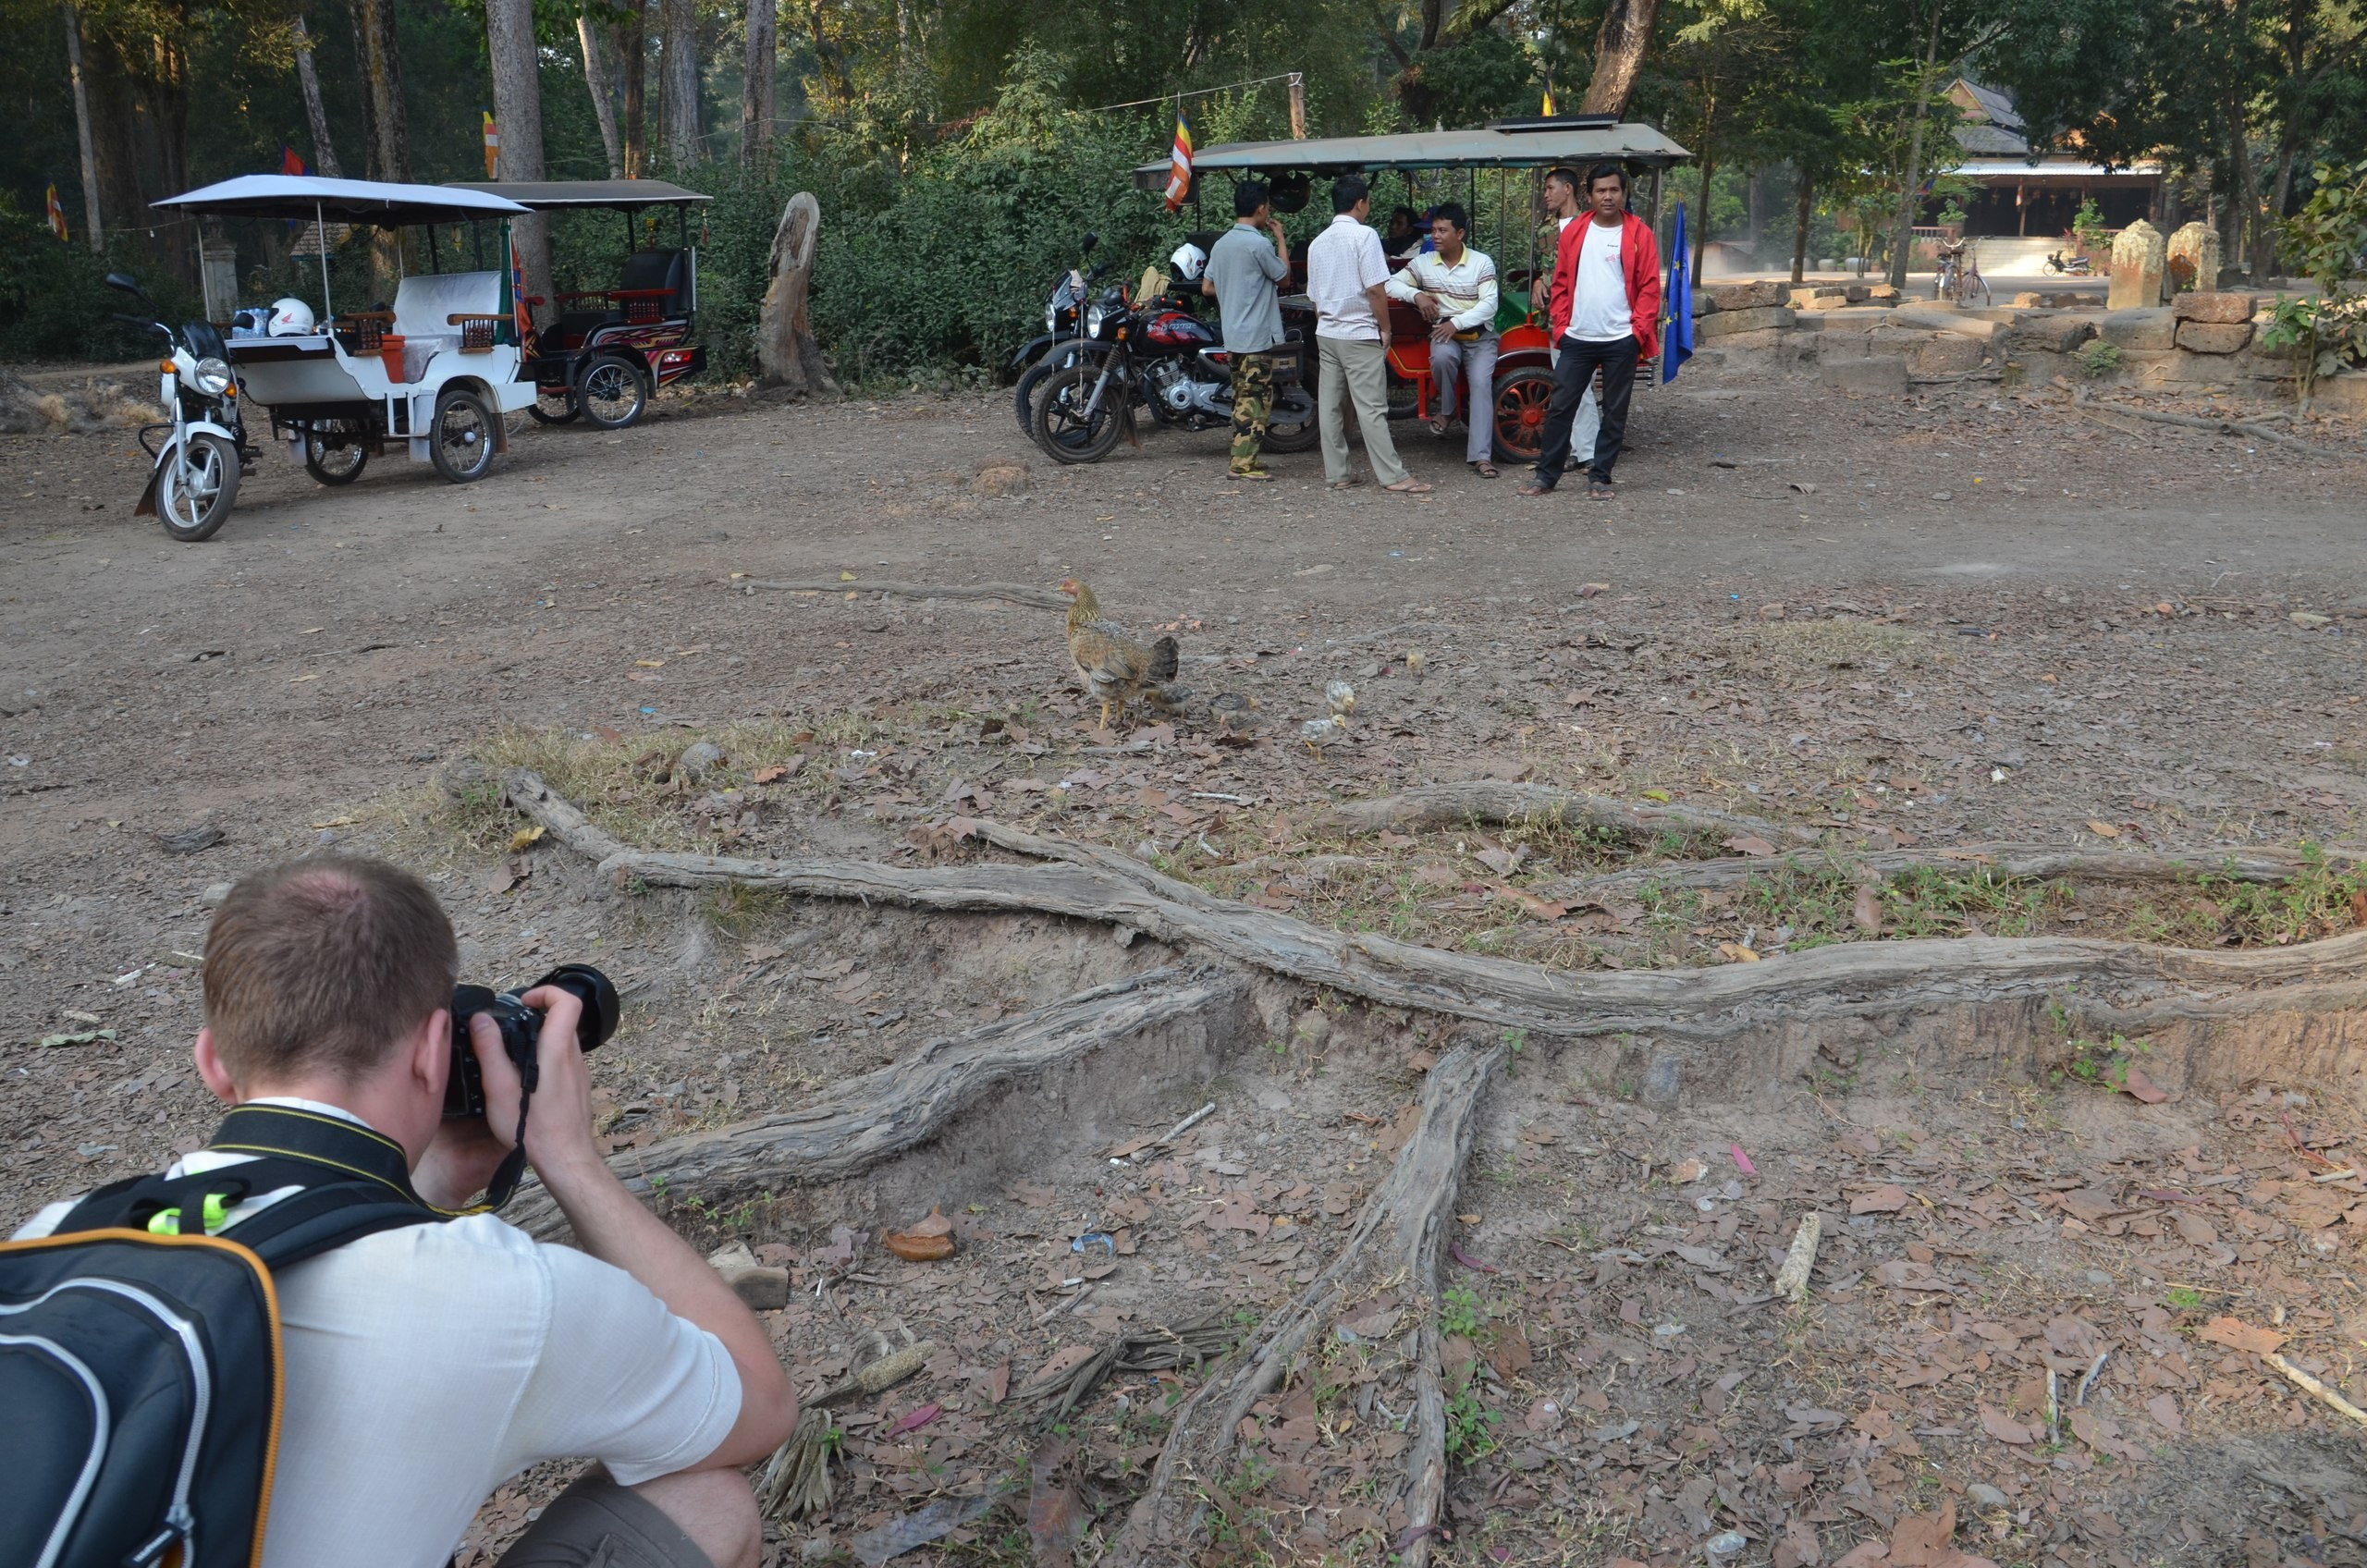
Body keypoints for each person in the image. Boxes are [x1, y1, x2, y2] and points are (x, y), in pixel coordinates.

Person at [13, 856, 799, 1568]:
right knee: (704, 1505)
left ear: (213, 1061)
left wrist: (429, 1191)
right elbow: (758, 1406)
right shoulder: (506, 1296)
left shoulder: (51, 1241)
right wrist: (570, 1159)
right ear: (431, 1051)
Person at [1522, 163, 1661, 501]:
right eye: (1601, 191)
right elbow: (1562, 283)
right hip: (1578, 337)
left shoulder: (1639, 233)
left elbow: (1649, 288)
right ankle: (1546, 476)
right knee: (1560, 407)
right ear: (1589, 195)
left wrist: (1637, 333)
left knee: (1614, 412)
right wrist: (1563, 326)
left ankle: (1600, 476)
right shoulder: (1574, 231)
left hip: (1620, 339)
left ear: (1623, 193)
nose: (1608, 196)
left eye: (1614, 190)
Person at [1306, 176, 1431, 495]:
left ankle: (1338, 474)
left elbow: (1316, 299)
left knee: (1331, 406)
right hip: (1358, 332)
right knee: (1371, 408)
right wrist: (1386, 328)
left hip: (1327, 332)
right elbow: (1376, 289)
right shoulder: (1364, 236)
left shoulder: (1317, 243)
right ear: (1360, 203)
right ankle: (1393, 476)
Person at [1384, 202, 1502, 476]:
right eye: (1434, 231)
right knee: (1441, 358)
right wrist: (1417, 295)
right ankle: (1448, 410)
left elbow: (1489, 305)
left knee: (1481, 385)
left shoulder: (1481, 262)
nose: (1435, 236)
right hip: (1443, 335)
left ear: (1459, 234)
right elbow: (1391, 283)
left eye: (1442, 230)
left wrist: (1456, 323)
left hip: (1480, 336)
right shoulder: (1425, 262)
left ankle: (1482, 457)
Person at [1202, 179, 1292, 481]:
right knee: (1256, 399)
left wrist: (1235, 289)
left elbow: (1207, 286)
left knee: (1242, 395)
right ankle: (1242, 465)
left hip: (1233, 334)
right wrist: (1280, 237)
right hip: (1255, 336)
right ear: (1261, 208)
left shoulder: (1222, 243)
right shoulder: (1258, 243)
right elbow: (1283, 278)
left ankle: (1244, 456)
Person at [1537, 167, 1600, 475]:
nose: (1546, 194)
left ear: (1568, 189)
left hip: (1584, 313)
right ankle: (1579, 449)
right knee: (1567, 384)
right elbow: (1548, 267)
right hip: (1554, 317)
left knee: (1580, 385)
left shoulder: (1591, 225)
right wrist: (1538, 280)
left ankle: (1590, 452)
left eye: (1550, 188)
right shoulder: (1546, 227)